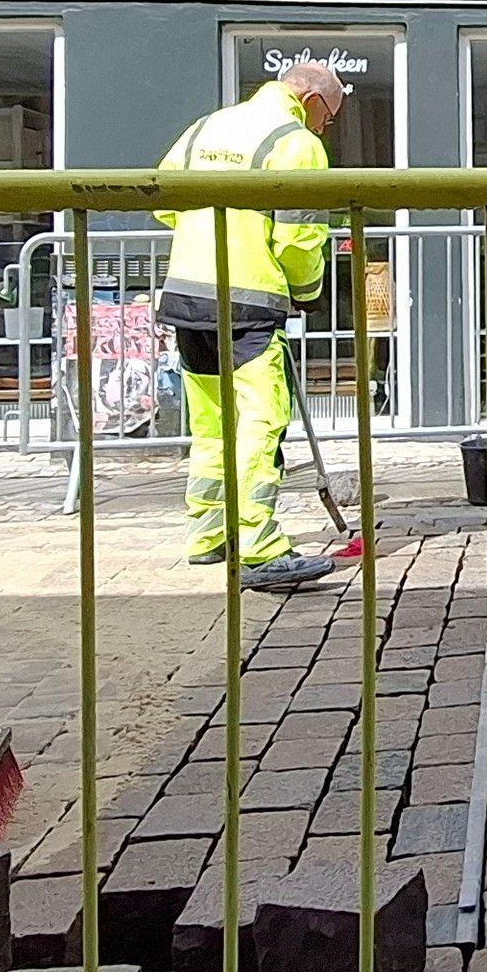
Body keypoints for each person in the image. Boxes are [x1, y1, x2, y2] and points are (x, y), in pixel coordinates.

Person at [154, 62, 345, 592]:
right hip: (249, 301)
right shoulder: (298, 143)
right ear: (309, 101)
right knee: (262, 421)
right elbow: (298, 238)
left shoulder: (206, 126)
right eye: (328, 117)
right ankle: (260, 547)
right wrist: (307, 293)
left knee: (211, 421)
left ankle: (208, 533)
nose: (325, 129)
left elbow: (164, 200)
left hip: (188, 293)